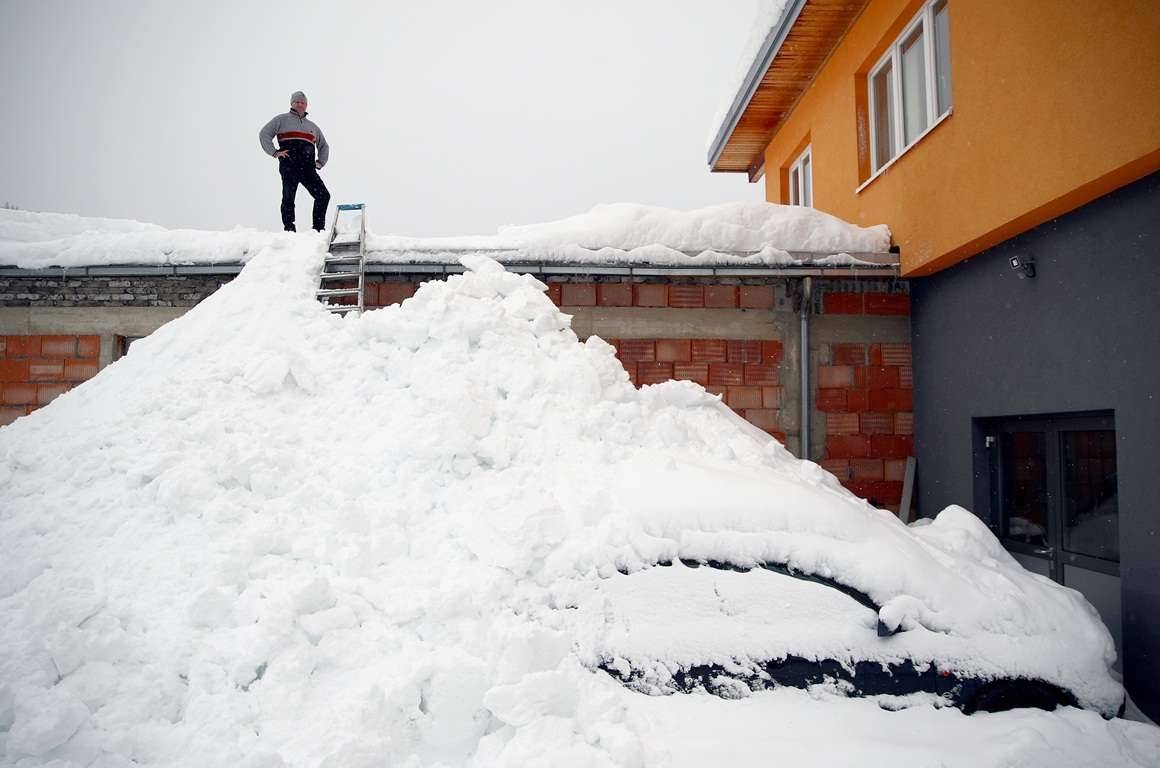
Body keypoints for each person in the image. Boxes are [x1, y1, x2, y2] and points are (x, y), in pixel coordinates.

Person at [259, 91, 331, 232]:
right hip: (289, 166)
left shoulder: (312, 127)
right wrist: (275, 152)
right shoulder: (281, 120)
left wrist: (320, 162)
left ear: (306, 105)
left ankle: (318, 229)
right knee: (288, 198)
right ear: (292, 103)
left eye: (302, 102)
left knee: (323, 195)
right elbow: (264, 134)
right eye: (297, 102)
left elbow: (324, 146)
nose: (300, 104)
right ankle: (289, 229)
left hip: (308, 169)